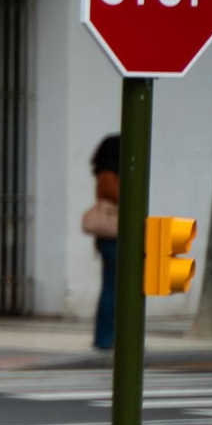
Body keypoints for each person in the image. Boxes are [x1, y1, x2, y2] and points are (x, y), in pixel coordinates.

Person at [83, 135, 121, 351]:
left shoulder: (107, 173)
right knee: (112, 289)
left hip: (110, 240)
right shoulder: (108, 175)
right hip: (112, 239)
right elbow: (121, 196)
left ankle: (109, 337)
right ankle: (105, 338)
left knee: (113, 288)